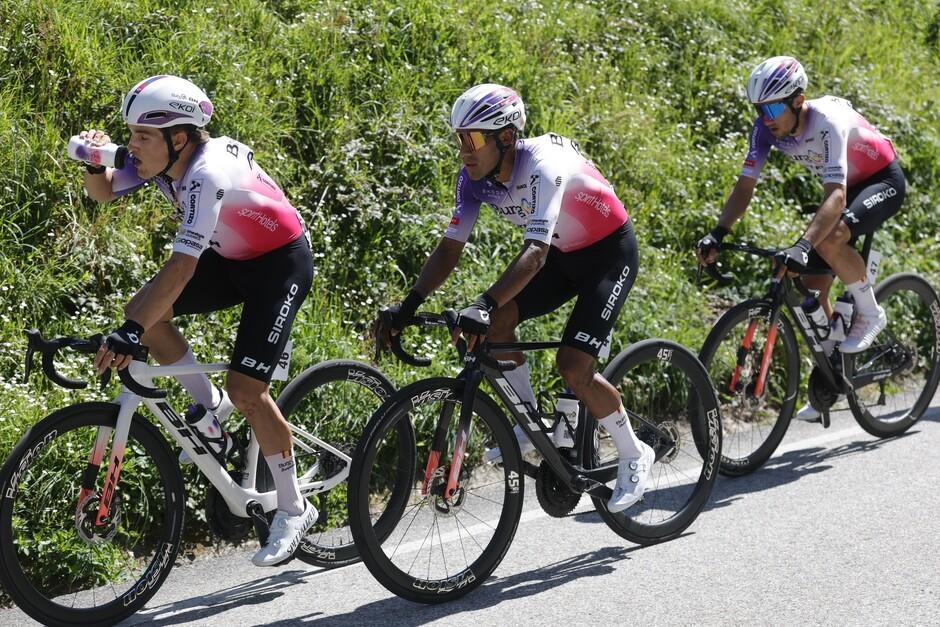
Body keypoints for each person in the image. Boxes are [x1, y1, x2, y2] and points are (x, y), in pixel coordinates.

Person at [375, 83, 653, 513]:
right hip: (564, 254)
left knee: (573, 366)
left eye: (474, 140)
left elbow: (535, 252)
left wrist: (483, 302)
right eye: (459, 140)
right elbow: (450, 248)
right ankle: (530, 424)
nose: (465, 151)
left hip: (607, 254)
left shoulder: (545, 164)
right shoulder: (472, 180)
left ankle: (634, 453)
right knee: (499, 325)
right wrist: (407, 305)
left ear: (506, 137)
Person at [79, 75, 315, 565]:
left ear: (178, 137)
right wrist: (91, 160)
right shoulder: (164, 158)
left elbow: (183, 267)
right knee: (145, 314)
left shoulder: (206, 173)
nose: (131, 146)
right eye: (130, 133)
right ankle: (210, 413)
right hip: (230, 257)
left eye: (141, 136)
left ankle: (294, 508)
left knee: (249, 389)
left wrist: (130, 333)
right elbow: (104, 192)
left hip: (279, 264)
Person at [696, 56, 905, 421]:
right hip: (840, 187)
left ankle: (870, 313)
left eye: (774, 107)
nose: (767, 118)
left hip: (879, 181)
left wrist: (803, 244)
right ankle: (833, 370)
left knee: (827, 240)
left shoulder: (827, 122)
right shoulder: (764, 130)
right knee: (811, 286)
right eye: (760, 109)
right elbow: (745, 187)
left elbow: (837, 198)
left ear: (798, 99)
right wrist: (718, 232)